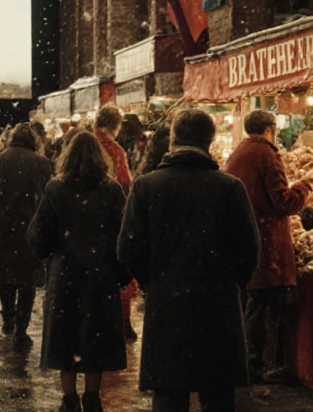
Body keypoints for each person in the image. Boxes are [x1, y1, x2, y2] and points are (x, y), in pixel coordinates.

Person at [117, 109, 260, 412]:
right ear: (209, 141)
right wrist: (231, 281)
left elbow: (128, 249)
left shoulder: (147, 186)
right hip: (218, 304)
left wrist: (152, 280)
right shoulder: (229, 188)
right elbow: (249, 250)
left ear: (173, 139)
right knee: (218, 395)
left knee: (169, 394)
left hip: (167, 305)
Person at [29, 130, 130, 412]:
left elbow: (39, 234)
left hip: (65, 273)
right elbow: (122, 235)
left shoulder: (56, 189)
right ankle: (92, 396)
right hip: (101, 274)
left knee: (66, 335)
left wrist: (48, 255)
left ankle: (69, 397)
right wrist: (121, 272)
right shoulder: (111, 190)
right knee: (96, 335)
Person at [224, 109, 313, 383]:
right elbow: (282, 202)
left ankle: (246, 363)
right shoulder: (266, 154)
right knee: (263, 306)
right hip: (267, 243)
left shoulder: (238, 153)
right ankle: (258, 366)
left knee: (251, 303)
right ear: (269, 129)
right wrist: (303, 188)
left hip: (245, 240)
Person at [0, 123, 53, 347]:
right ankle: (21, 327)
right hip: (31, 227)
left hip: (3, 226)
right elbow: (49, 198)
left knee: (6, 277)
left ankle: (8, 316)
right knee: (27, 281)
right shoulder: (42, 163)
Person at [91, 106, 138, 340]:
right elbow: (125, 185)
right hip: (109, 220)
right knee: (119, 272)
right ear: (115, 125)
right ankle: (122, 323)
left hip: (81, 220)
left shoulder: (82, 143)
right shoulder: (115, 150)